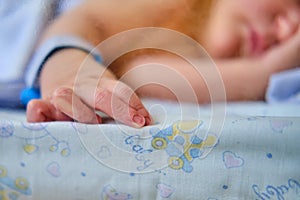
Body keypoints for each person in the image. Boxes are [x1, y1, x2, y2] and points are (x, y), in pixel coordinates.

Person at [25, 0, 300, 127]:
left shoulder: (186, 49)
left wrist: (267, 71)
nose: (287, 32)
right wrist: (70, 69)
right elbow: (86, 20)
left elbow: (142, 76)